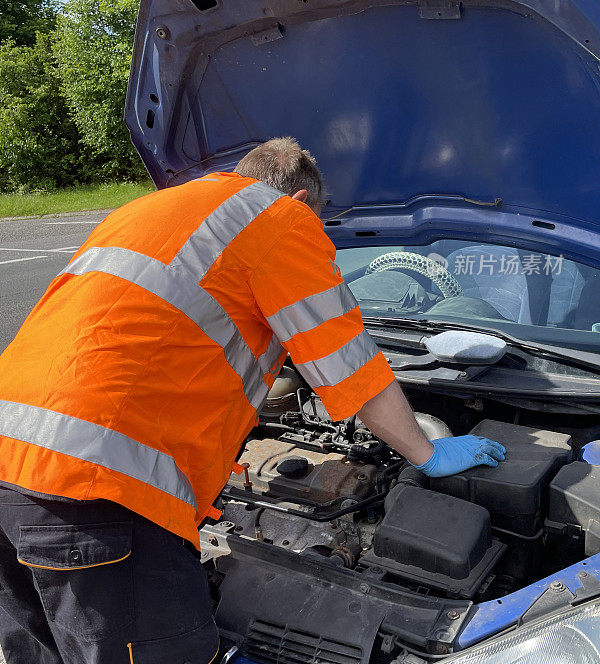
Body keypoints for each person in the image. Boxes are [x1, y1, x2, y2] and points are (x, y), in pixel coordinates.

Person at [0, 137, 505, 664]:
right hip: (92, 484)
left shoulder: (155, 209)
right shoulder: (280, 218)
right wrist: (426, 453)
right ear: (303, 197)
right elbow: (350, 367)